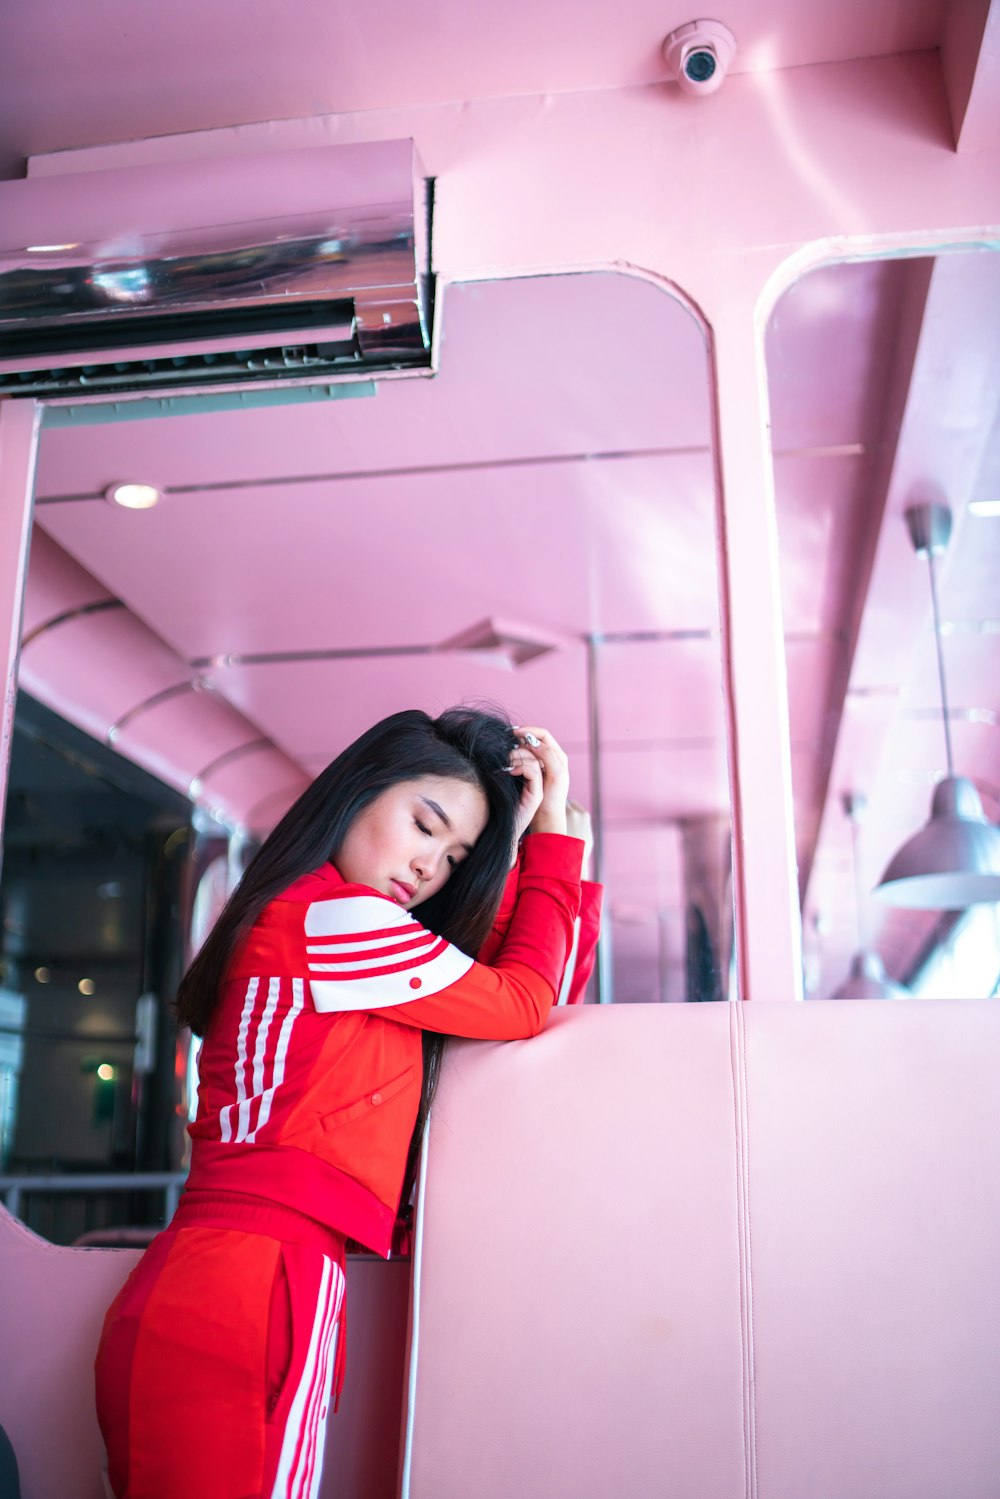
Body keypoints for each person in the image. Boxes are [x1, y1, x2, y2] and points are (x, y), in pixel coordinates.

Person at [94, 706, 598, 1499]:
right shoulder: (338, 920)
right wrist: (552, 851)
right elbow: (522, 1000)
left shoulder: (340, 930)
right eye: (424, 824)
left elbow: (523, 996)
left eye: (456, 854)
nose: (431, 864)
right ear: (361, 790)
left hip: (244, 1280)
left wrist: (551, 845)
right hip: (252, 1285)